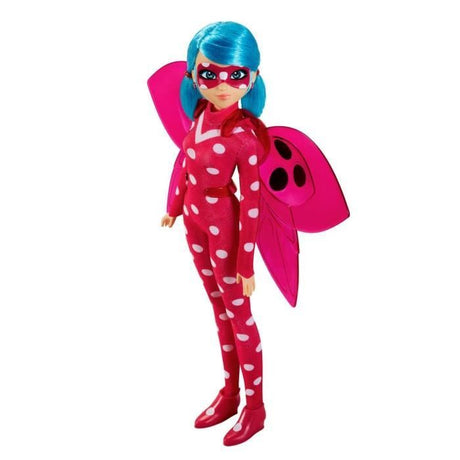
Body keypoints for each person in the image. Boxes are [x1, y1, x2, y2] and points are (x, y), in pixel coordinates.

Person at [160, 21, 267, 446]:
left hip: (226, 228)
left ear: (252, 78)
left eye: (236, 74)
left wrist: (246, 262)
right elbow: (183, 162)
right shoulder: (200, 117)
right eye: (209, 73)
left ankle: (255, 407)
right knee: (220, 312)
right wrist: (173, 206)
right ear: (193, 75)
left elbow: (253, 202)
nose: (223, 84)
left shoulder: (244, 136)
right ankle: (230, 392)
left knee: (239, 315)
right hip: (194, 225)